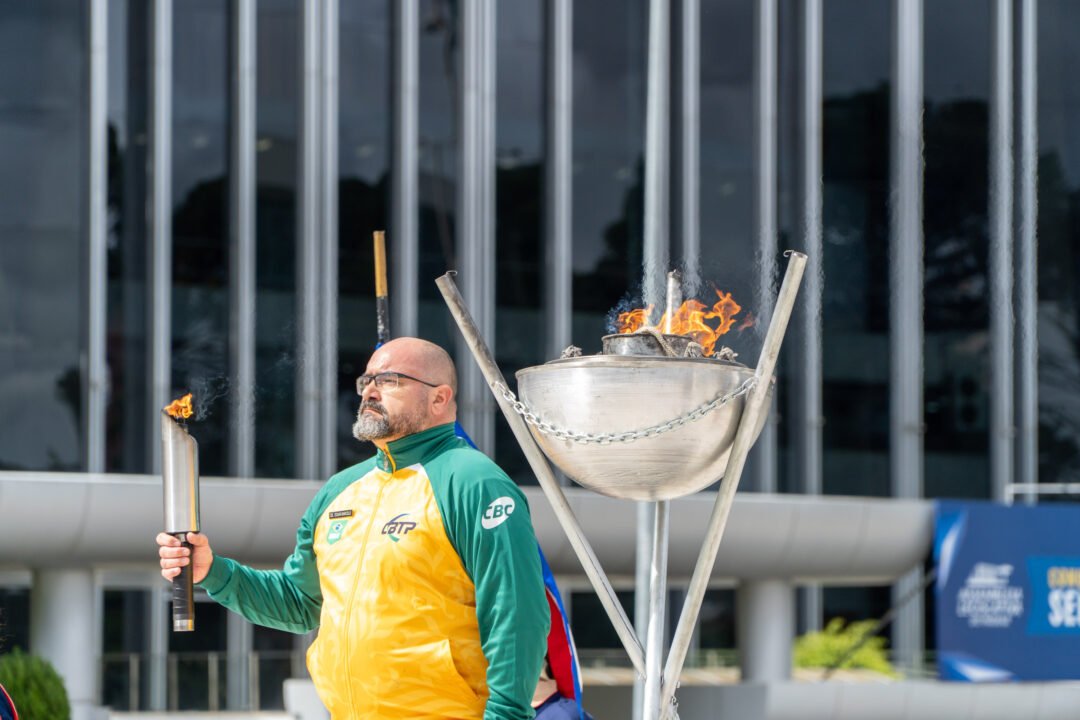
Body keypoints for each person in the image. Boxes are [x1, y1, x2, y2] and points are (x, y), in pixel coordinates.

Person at [158, 337, 550, 719]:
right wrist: (213, 572)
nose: (370, 391)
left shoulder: (474, 482)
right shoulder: (339, 490)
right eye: (367, 380)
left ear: (439, 398)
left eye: (390, 380)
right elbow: (300, 604)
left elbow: (516, 613)